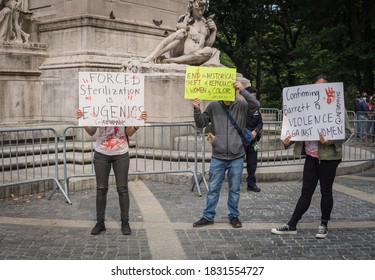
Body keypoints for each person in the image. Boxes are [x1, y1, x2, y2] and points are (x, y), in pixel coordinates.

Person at [271, 74, 352, 239]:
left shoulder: (336, 106)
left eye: (323, 86)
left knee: (326, 191)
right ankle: (292, 224)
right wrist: (287, 141)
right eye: (317, 87)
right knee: (305, 192)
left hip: (329, 157)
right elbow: (297, 129)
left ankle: (324, 224)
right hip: (311, 156)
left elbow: (348, 131)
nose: (320, 89)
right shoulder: (304, 106)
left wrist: (332, 142)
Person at [192, 81, 260, 228]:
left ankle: (234, 216)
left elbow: (256, 105)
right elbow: (201, 123)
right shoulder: (213, 105)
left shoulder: (242, 105)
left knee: (235, 189)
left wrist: (243, 90)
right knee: (213, 188)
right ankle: (208, 216)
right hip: (218, 155)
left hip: (236, 156)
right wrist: (196, 109)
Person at [76, 109, 148, 235]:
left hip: (121, 153)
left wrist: (138, 123)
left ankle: (125, 222)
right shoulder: (99, 108)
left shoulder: (125, 108)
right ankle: (100, 223)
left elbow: (129, 132)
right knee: (101, 189)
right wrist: (82, 120)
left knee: (122, 188)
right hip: (101, 153)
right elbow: (92, 131)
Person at [143, 0, 219, 65]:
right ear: (192, 5)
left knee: (208, 50)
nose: (201, 10)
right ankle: (154, 55)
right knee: (182, 32)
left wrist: (214, 31)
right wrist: (189, 28)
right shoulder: (186, 18)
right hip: (180, 51)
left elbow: (208, 44)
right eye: (198, 7)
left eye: (203, 7)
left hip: (196, 56)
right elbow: (178, 26)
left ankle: (167, 61)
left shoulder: (205, 23)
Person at [244, 87, 263, 192]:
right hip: (242, 139)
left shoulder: (256, 110)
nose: (254, 98)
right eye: (252, 96)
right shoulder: (241, 107)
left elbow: (260, 122)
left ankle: (251, 184)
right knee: (236, 163)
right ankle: (234, 184)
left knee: (252, 164)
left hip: (253, 140)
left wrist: (256, 130)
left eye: (255, 96)